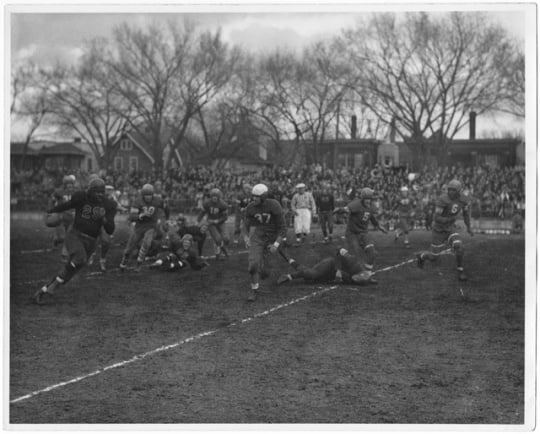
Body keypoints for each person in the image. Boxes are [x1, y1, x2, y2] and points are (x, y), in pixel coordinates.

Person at [33, 178, 117, 305]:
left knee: (70, 272)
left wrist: (104, 219)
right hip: (75, 235)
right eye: (97, 192)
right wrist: (51, 211)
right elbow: (67, 205)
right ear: (90, 191)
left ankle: (43, 290)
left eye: (102, 192)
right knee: (80, 259)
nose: (100, 195)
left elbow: (110, 230)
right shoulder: (82, 197)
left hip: (91, 242)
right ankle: (51, 289)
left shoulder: (108, 204)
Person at [415, 179, 474, 281]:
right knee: (434, 257)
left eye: (453, 190)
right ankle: (421, 256)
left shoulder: (463, 199)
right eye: (449, 189)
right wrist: (449, 219)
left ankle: (460, 271)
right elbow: (436, 218)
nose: (450, 192)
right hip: (439, 230)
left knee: (459, 247)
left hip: (451, 228)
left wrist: (468, 227)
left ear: (459, 191)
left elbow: (465, 214)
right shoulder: (442, 199)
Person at [244, 183, 287, 301]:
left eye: (257, 197)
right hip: (258, 236)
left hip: (272, 237)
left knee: (265, 272)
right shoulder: (251, 207)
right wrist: (246, 237)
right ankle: (254, 290)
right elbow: (246, 224)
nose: (254, 199)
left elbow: (283, 228)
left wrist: (276, 244)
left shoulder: (274, 205)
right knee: (253, 266)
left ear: (263, 196)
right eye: (253, 196)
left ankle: (262, 268)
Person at [334, 187, 388, 273]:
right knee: (355, 255)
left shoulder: (371, 206)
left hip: (363, 233)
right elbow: (345, 209)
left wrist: (378, 226)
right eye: (367, 199)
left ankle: (367, 274)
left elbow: (371, 216)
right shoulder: (356, 204)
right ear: (362, 199)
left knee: (372, 253)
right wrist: (338, 210)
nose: (368, 201)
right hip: (352, 233)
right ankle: (340, 254)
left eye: (370, 199)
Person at [119, 183, 165, 271]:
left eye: (150, 195)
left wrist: (162, 219)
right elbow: (132, 216)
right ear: (143, 195)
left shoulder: (158, 200)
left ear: (153, 194)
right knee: (129, 249)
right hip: (139, 226)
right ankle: (123, 264)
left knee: (147, 243)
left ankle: (139, 263)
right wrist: (141, 215)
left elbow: (164, 209)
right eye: (146, 195)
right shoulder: (137, 201)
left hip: (151, 226)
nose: (148, 197)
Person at [277, 247, 378, 285]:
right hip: (330, 264)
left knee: (311, 280)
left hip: (332, 274)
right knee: (312, 274)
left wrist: (369, 280)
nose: (355, 280)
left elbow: (366, 278)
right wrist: (338, 269)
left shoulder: (360, 277)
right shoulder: (353, 262)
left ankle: (286, 256)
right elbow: (338, 250)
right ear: (360, 273)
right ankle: (289, 276)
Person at [47, 174, 76, 261]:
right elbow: (52, 201)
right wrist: (51, 210)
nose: (70, 186)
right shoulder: (59, 192)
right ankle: (56, 241)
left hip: (72, 218)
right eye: (68, 184)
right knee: (61, 237)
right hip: (61, 217)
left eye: (71, 184)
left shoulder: (76, 192)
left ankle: (64, 254)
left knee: (69, 236)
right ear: (65, 184)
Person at [197, 188, 229, 260]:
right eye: (213, 196)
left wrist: (218, 220)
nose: (215, 197)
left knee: (226, 239)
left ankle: (223, 247)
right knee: (218, 239)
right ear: (211, 196)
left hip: (221, 222)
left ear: (219, 197)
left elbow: (225, 217)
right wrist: (198, 221)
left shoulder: (223, 204)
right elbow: (202, 213)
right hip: (211, 222)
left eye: (216, 196)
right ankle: (218, 251)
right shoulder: (206, 203)